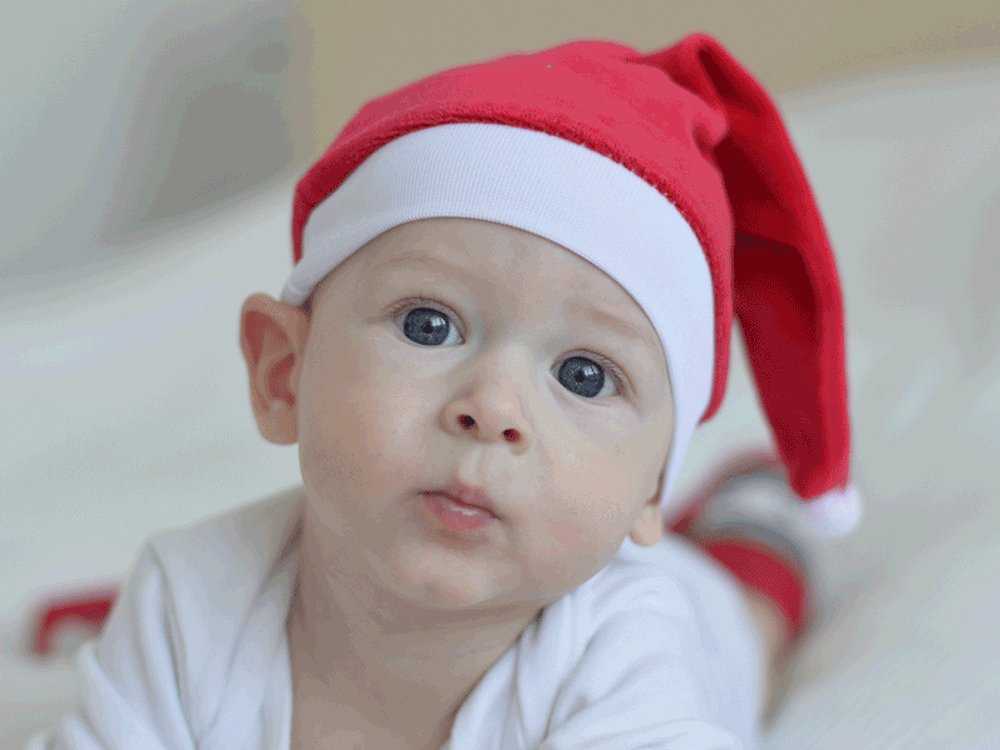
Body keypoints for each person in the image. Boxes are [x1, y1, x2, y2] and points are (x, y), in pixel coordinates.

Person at [26, 31, 862, 749]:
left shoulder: (629, 657)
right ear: (284, 372)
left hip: (698, 602)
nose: (492, 408)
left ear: (651, 483)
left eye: (584, 375)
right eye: (429, 325)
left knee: (749, 608)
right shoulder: (189, 597)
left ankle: (760, 517)